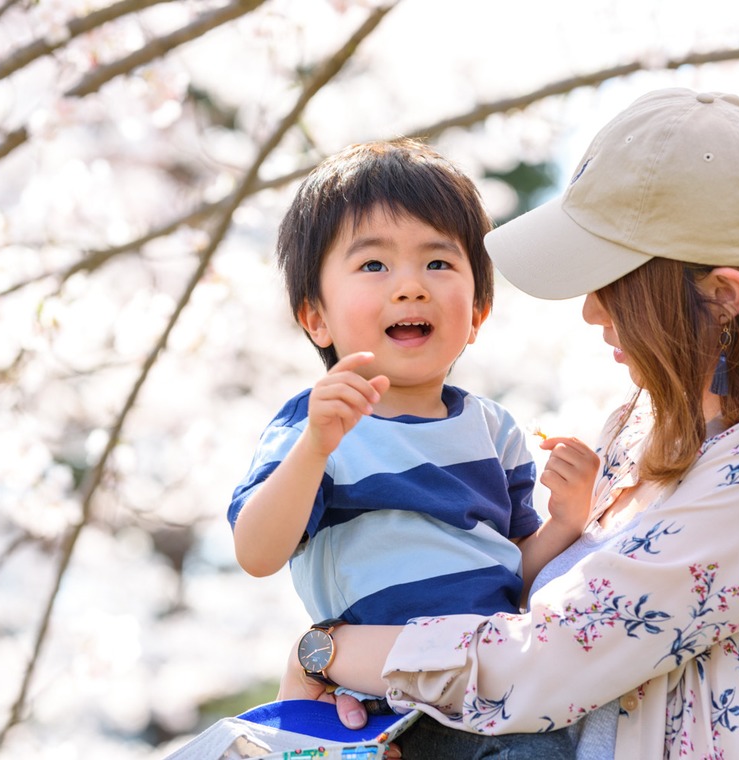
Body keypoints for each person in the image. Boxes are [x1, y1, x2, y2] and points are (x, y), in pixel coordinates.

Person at [278, 88, 739, 759]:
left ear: (721, 297)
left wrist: (328, 650)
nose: (592, 311)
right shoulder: (631, 435)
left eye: (616, 281)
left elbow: (550, 659)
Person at [228, 139, 596, 756]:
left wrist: (566, 521)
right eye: (374, 266)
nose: (410, 287)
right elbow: (258, 552)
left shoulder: (493, 429)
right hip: (381, 703)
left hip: (494, 684)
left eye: (438, 263)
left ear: (478, 311)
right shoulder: (320, 425)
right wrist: (316, 449)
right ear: (316, 317)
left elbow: (510, 573)